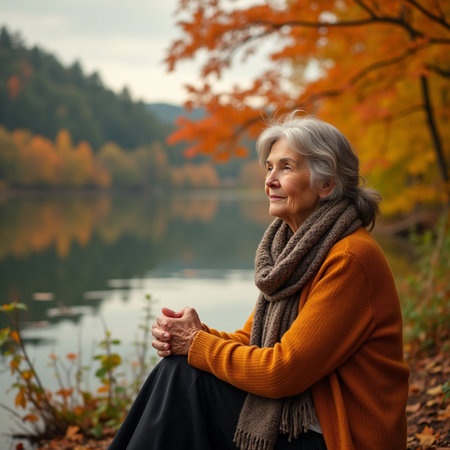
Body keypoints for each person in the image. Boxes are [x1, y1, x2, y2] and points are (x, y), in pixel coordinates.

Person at [109, 114, 409, 450]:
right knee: (178, 371)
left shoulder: (350, 259)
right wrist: (196, 334)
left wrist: (194, 344)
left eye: (286, 167)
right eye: (269, 167)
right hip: (302, 424)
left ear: (326, 184)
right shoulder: (296, 251)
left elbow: (282, 371)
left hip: (342, 437)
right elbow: (253, 343)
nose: (270, 181)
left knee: (184, 377)